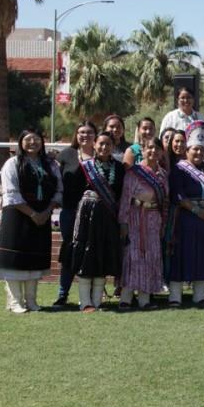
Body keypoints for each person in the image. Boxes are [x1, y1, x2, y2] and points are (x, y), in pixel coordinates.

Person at [0, 128, 62, 313]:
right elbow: (11, 194)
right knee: (15, 259)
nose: (33, 142)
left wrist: (46, 212)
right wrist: (33, 214)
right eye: (28, 139)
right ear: (21, 143)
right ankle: (15, 302)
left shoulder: (51, 164)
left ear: (42, 142)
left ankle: (31, 301)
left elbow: (59, 190)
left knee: (34, 258)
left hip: (42, 216)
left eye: (36, 139)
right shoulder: (12, 164)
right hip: (17, 217)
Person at [167, 121, 204, 307]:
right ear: (187, 150)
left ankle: (199, 296)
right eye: (194, 150)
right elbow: (179, 195)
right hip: (188, 219)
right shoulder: (179, 169)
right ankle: (175, 296)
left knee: (203, 257)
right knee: (182, 256)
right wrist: (199, 211)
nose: (198, 153)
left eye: (201, 150)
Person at [71, 132, 126, 313]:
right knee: (87, 255)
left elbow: (120, 194)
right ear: (94, 145)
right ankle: (84, 302)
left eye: (108, 144)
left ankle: (97, 301)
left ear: (113, 146)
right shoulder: (85, 167)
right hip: (88, 215)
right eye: (101, 144)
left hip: (108, 217)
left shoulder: (119, 168)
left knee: (103, 254)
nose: (104, 147)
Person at [117, 137, 167, 310]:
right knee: (133, 257)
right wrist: (123, 223)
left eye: (157, 149)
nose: (153, 151)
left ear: (162, 152)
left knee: (150, 257)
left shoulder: (163, 175)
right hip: (135, 217)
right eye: (150, 148)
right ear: (143, 150)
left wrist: (163, 225)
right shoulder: (134, 172)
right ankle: (126, 298)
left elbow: (165, 202)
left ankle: (144, 299)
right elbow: (125, 198)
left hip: (153, 219)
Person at [52, 121, 96, 308]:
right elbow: (56, 182)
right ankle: (63, 294)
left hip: (95, 213)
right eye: (81, 132)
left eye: (89, 132)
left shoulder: (101, 155)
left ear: (95, 135)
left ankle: (90, 296)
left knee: (92, 251)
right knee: (70, 251)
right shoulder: (66, 155)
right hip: (71, 211)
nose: (85, 135)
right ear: (76, 135)